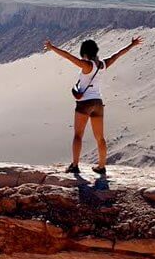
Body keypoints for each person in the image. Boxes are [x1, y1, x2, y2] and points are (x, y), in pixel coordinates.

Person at [43, 35, 143, 175]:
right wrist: (132, 45)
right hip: (98, 103)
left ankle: (75, 165)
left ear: (85, 53)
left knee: (78, 135)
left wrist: (52, 48)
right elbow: (117, 55)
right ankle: (101, 167)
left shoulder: (87, 65)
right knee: (100, 137)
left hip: (84, 103)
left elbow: (69, 57)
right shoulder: (103, 64)